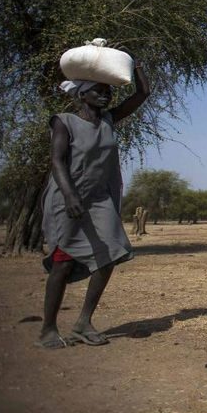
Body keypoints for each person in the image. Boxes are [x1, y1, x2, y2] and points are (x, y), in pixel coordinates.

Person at [39, 57, 150, 348]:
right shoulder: (65, 122)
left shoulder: (108, 121)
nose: (105, 95)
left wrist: (136, 66)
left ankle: (83, 322)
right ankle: (48, 330)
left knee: (111, 253)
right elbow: (57, 161)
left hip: (100, 197)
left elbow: (143, 94)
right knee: (62, 264)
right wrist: (70, 195)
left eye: (107, 90)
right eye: (98, 90)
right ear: (81, 93)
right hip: (69, 195)